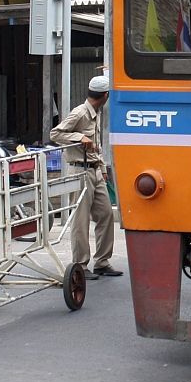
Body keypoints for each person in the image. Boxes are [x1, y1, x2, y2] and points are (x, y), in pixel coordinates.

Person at [50, 75, 121, 278]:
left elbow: (95, 145)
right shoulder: (80, 113)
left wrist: (103, 169)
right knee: (80, 220)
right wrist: (78, 137)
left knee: (106, 214)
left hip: (95, 170)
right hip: (80, 170)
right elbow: (55, 134)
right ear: (106, 95)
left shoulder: (95, 113)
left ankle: (102, 261)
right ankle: (80, 264)